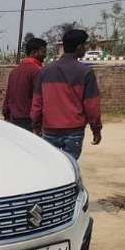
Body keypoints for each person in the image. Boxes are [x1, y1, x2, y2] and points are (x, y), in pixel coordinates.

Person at [30, 29, 102, 159]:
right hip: (74, 130)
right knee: (70, 164)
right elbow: (91, 106)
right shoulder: (85, 72)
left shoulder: (44, 71)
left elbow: (37, 103)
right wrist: (96, 129)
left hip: (50, 129)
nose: (86, 48)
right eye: (85, 45)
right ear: (79, 47)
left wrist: (36, 126)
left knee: (52, 165)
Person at [2, 37, 48, 131]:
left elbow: (8, 97)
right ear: (34, 52)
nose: (45, 55)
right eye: (43, 52)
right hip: (29, 120)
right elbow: (40, 98)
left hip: (14, 118)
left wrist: (6, 114)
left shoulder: (15, 71)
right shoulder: (37, 71)